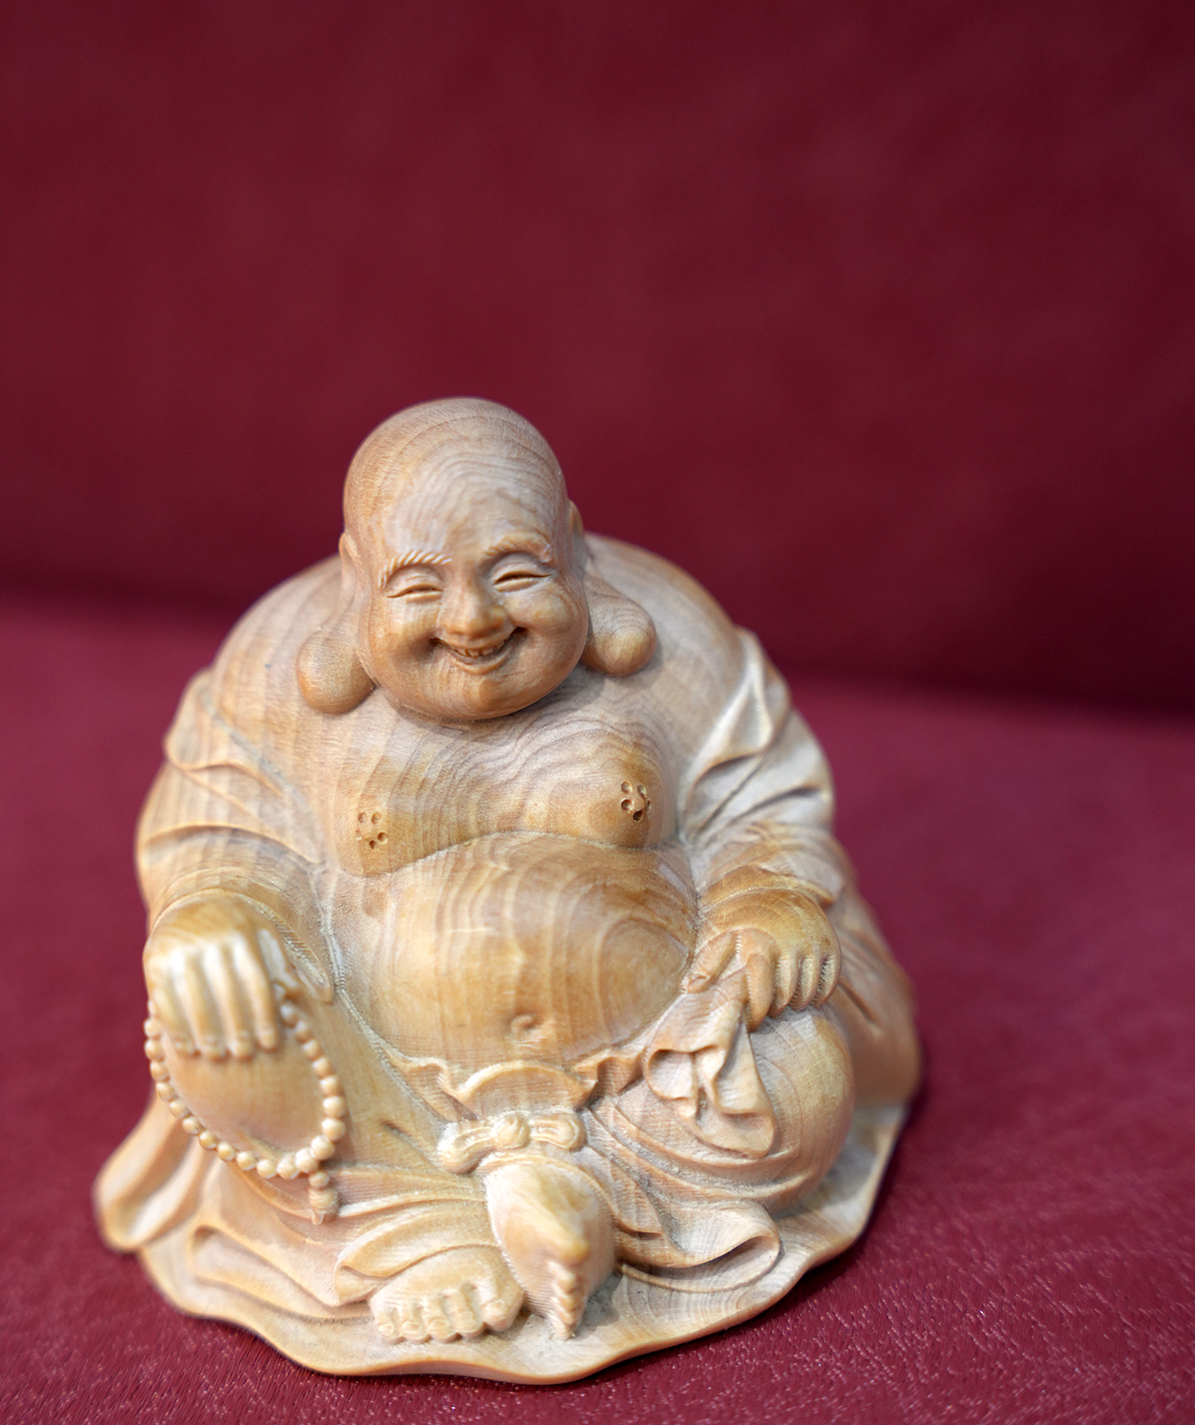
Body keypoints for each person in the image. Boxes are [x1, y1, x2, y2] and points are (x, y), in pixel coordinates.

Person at [97, 399, 918, 1356]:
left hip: (656, 1072)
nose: (472, 621)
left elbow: (757, 798)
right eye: (417, 588)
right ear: (355, 575)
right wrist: (213, 910)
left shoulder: (675, 640)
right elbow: (224, 828)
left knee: (801, 1079)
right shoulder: (271, 666)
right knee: (213, 1030)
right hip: (391, 1094)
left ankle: (571, 1195)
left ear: (572, 547)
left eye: (516, 573)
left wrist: (762, 895)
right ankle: (445, 1227)